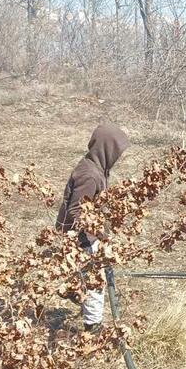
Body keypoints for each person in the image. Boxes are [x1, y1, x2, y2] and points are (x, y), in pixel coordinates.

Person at [56, 122, 129, 332]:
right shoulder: (89, 175)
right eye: (117, 151)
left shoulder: (97, 168)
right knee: (95, 282)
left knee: (90, 279)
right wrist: (99, 234)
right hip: (81, 237)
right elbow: (75, 212)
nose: (118, 156)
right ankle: (92, 327)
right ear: (107, 148)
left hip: (86, 235)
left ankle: (77, 293)